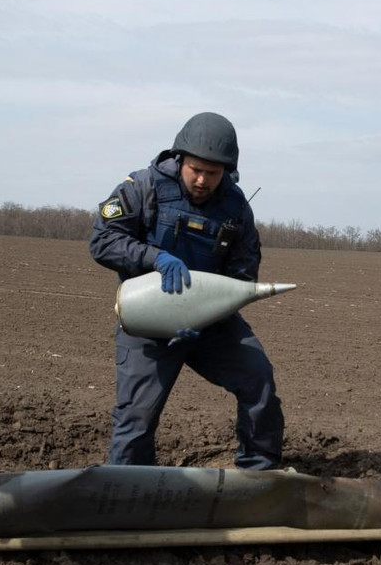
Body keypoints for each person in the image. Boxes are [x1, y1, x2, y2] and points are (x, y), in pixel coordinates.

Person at [90, 112, 285, 470]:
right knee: (136, 418)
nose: (202, 180)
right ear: (180, 158)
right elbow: (103, 241)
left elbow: (243, 272)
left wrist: (207, 312)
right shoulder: (142, 187)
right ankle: (127, 487)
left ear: (227, 171)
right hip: (149, 323)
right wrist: (155, 258)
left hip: (210, 324)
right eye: (195, 169)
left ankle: (259, 475)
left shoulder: (236, 207)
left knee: (259, 380)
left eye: (213, 173)